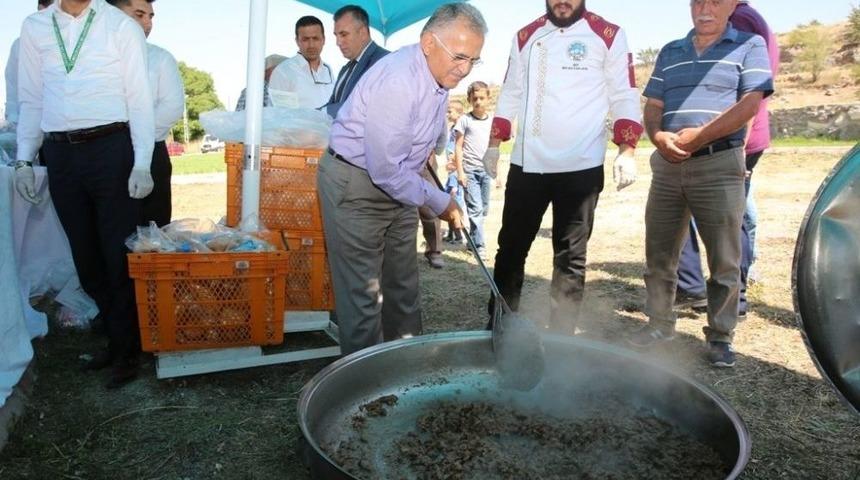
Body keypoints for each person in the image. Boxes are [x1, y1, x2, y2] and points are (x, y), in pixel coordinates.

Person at [318, 3, 483, 355]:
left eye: (473, 60)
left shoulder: (437, 76)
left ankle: (407, 373)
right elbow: (385, 169)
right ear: (428, 43)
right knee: (364, 298)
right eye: (459, 57)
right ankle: (366, 397)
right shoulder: (398, 79)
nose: (465, 69)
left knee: (403, 289)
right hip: (356, 185)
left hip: (400, 184)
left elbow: (408, 154)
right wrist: (441, 201)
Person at [15, 0, 155, 387]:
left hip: (110, 148)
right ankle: (116, 339)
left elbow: (140, 97)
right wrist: (25, 159)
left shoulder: (120, 26)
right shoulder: (35, 27)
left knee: (116, 253)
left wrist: (142, 161)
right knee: (85, 256)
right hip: (59, 152)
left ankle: (129, 352)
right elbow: (31, 97)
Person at [628, 0, 774, 369]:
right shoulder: (671, 50)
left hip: (719, 163)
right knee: (659, 253)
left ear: (732, 5)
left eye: (716, 0)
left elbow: (749, 105)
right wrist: (658, 136)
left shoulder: (750, 44)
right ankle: (659, 324)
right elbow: (653, 104)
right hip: (668, 164)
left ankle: (721, 336)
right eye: (697, 1)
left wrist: (698, 137)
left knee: (724, 258)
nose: (705, 8)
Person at [486, 0, 642, 333]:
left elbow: (624, 93)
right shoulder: (526, 36)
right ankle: (499, 325)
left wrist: (627, 149)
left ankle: (562, 337)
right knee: (511, 247)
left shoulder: (609, 34)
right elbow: (510, 93)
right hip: (528, 163)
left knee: (570, 256)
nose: (562, 2)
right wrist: (493, 146)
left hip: (581, 165)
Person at [674, 0, 781, 314]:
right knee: (736, 216)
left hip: (727, 139)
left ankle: (722, 297)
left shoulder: (741, 23)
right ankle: (721, 295)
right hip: (732, 137)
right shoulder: (748, 17)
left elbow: (741, 90)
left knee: (718, 217)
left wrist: (735, 144)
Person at [108, 0, 184, 228]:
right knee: (113, 230)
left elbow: (171, 107)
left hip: (152, 154)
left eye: (151, 16)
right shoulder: (95, 59)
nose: (147, 23)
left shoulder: (161, 58)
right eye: (139, 15)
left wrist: (137, 138)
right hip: (105, 155)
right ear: (112, 14)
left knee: (152, 233)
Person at [325, 5, 389, 118]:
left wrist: (320, 112)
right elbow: (332, 104)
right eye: (336, 35)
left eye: (343, 34)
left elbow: (366, 108)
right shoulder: (345, 69)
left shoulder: (385, 61)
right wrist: (309, 113)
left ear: (363, 33)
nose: (338, 42)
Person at [454, 81, 493, 260]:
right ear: (469, 99)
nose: (478, 101)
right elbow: (458, 147)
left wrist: (495, 170)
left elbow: (494, 148)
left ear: (488, 99)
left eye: (481, 98)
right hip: (469, 171)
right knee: (475, 209)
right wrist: (460, 172)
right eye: (474, 98)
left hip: (486, 171)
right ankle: (479, 246)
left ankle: (471, 242)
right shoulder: (464, 120)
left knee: (483, 209)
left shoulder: (492, 120)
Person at [4, 0, 54, 124]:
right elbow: (13, 85)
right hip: (32, 126)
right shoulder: (20, 45)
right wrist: (14, 120)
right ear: (41, 8)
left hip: (71, 130)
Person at [269, 16, 333, 110]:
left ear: (323, 40)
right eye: (305, 39)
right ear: (297, 41)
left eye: (315, 38)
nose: (311, 45)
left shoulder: (328, 70)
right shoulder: (284, 71)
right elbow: (279, 115)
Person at [443, 99, 466, 244]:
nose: (447, 114)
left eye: (450, 111)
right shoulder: (452, 129)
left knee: (455, 202)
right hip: (451, 170)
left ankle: (458, 235)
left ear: (458, 113)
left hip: (455, 172)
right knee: (447, 203)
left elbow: (459, 151)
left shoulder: (460, 131)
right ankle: (451, 234)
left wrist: (456, 165)